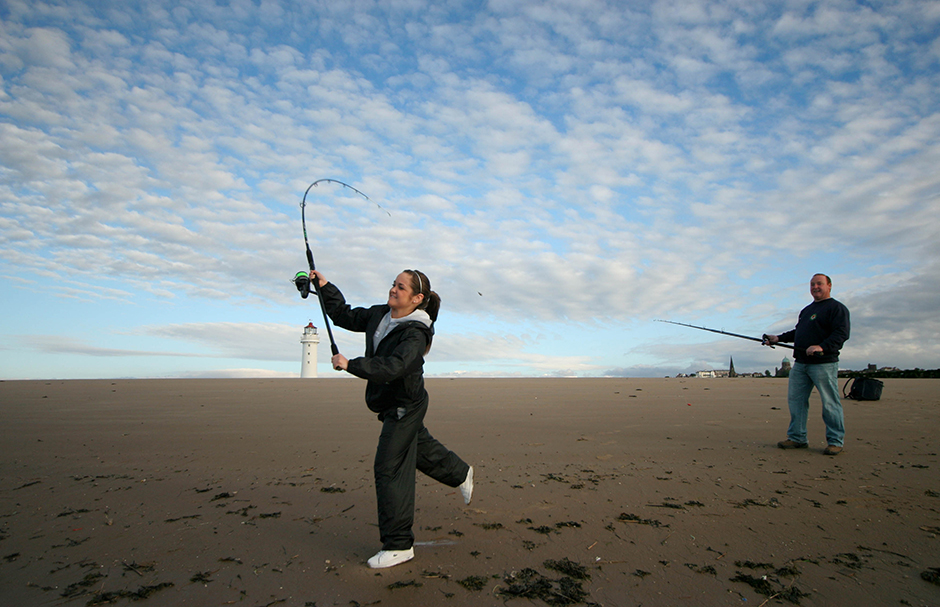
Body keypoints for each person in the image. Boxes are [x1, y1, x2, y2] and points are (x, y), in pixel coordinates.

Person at [310, 268, 474, 569]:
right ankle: (460, 473)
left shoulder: (415, 333)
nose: (393, 290)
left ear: (417, 298)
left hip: (405, 405)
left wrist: (351, 365)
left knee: (389, 466)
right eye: (393, 284)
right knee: (419, 448)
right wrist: (325, 286)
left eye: (401, 287)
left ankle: (399, 545)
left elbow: (394, 366)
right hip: (388, 403)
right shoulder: (380, 314)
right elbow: (344, 315)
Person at [765, 274, 850, 456]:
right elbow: (799, 332)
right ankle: (797, 438)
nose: (815, 287)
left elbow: (841, 334)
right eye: (812, 284)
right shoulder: (806, 310)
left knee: (830, 403)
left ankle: (835, 441)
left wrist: (821, 347)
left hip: (824, 363)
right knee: (796, 402)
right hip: (801, 364)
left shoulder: (837, 308)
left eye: (819, 284)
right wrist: (778, 338)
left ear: (829, 286)